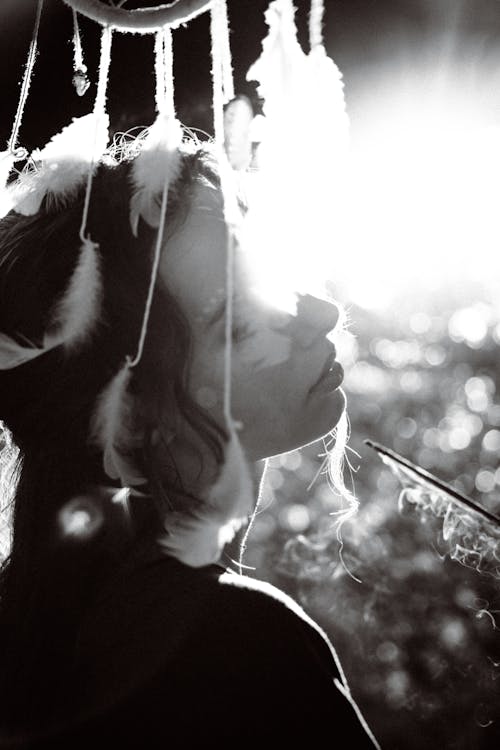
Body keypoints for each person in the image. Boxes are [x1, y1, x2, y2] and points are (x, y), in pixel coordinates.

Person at [0, 134, 380, 748]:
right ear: (131, 420)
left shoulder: (34, 628)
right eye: (240, 320)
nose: (319, 314)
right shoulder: (238, 647)